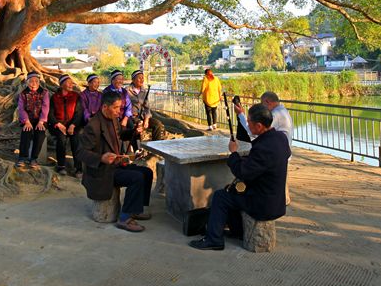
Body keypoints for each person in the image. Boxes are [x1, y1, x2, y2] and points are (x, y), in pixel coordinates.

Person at [189, 103, 290, 250]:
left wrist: (234, 153)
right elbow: (265, 164)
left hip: (263, 203)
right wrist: (247, 160)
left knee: (220, 197)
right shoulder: (280, 138)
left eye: (249, 122)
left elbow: (242, 172)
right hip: (274, 198)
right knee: (230, 191)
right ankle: (237, 231)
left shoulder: (263, 147)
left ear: (259, 126)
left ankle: (213, 240)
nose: (247, 124)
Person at [76, 89, 154, 233]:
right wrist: (101, 158)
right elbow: (81, 152)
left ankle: (135, 209)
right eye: (116, 108)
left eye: (120, 107)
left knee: (147, 172)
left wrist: (134, 132)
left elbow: (121, 135)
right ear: (105, 107)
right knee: (136, 178)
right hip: (102, 171)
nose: (119, 111)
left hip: (116, 165)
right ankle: (125, 218)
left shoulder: (113, 119)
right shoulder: (93, 126)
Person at [236, 91, 294, 204]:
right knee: (281, 181)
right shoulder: (282, 110)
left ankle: (281, 202)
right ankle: (282, 201)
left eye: (262, 104)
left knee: (276, 183)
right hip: (282, 150)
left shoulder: (276, 115)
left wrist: (241, 115)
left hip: (276, 152)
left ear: (267, 102)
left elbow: (255, 131)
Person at [49, 74, 85, 176]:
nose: (71, 84)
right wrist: (58, 124)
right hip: (58, 125)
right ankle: (61, 166)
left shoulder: (76, 96)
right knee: (61, 139)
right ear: (61, 85)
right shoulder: (55, 97)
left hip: (73, 124)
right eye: (68, 83)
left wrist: (73, 125)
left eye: (71, 83)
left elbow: (79, 113)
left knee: (75, 140)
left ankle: (78, 168)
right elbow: (50, 114)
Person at [16, 71, 49, 170]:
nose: (34, 83)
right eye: (31, 81)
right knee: (26, 132)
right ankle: (22, 157)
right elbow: (21, 109)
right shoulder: (23, 93)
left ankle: (34, 158)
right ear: (27, 82)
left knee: (40, 134)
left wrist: (41, 121)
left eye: (36, 81)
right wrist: (26, 121)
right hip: (28, 120)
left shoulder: (44, 92)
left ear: (39, 82)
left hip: (40, 120)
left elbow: (45, 107)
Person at [126, 70, 166, 144]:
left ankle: (155, 145)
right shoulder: (127, 91)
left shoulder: (143, 90)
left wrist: (146, 119)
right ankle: (137, 147)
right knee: (136, 128)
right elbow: (125, 107)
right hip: (132, 118)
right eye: (139, 78)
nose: (142, 80)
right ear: (133, 80)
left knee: (157, 124)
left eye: (142, 78)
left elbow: (147, 107)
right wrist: (135, 118)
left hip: (142, 117)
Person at [102, 69, 133, 143]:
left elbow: (128, 106)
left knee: (132, 128)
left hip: (123, 116)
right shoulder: (106, 91)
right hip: (112, 116)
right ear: (112, 80)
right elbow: (106, 108)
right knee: (118, 130)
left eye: (122, 79)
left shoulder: (124, 92)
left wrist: (125, 118)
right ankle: (121, 147)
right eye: (118, 79)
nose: (120, 81)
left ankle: (136, 147)